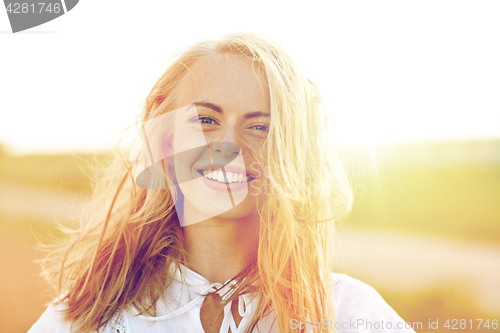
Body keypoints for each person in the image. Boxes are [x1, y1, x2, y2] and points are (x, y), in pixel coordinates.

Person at [28, 33, 416, 333]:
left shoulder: (349, 313)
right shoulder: (84, 317)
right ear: (165, 136)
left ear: (291, 150)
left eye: (260, 127)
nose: (228, 147)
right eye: (206, 120)